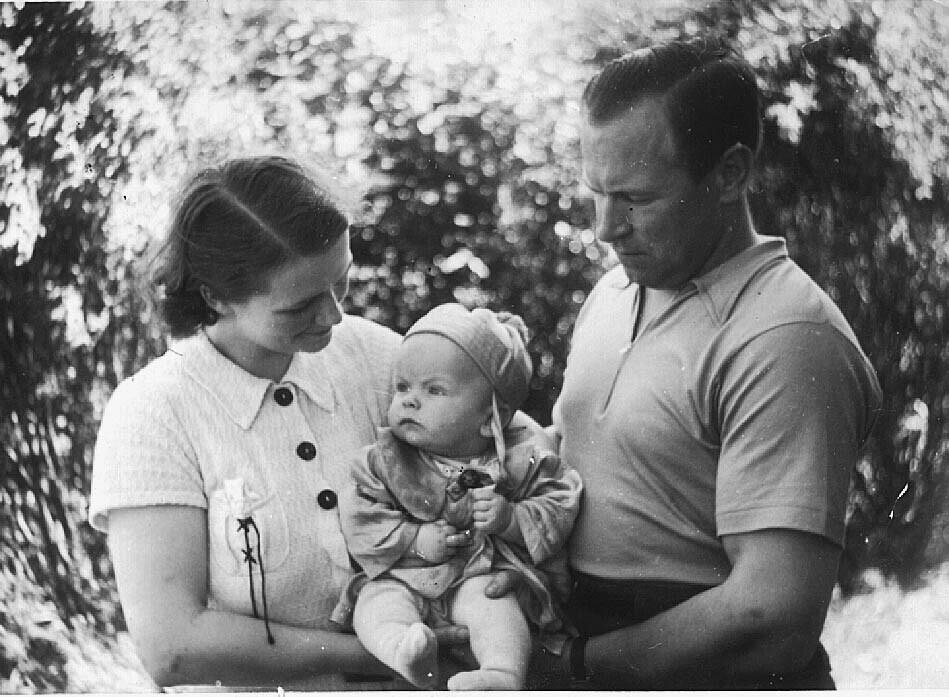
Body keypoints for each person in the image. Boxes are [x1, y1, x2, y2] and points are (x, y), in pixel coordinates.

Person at [535, 37, 883, 689]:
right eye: (595, 193)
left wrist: (569, 667)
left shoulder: (784, 333)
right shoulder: (610, 291)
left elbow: (770, 617)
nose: (605, 227)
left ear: (729, 173)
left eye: (635, 198)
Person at [87, 155, 478, 690]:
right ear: (215, 296)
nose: (334, 317)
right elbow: (172, 647)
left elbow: (499, 454)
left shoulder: (376, 357)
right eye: (300, 307)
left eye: (340, 283)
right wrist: (372, 654)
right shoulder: (152, 413)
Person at [334, 303, 582, 690]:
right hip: (403, 575)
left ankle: (501, 674)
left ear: (489, 418)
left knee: (495, 608)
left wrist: (512, 519)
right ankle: (407, 652)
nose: (410, 400)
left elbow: (560, 504)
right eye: (402, 387)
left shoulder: (524, 459)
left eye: (434, 390)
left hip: (481, 577)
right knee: (376, 604)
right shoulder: (384, 460)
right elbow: (360, 517)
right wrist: (414, 541)